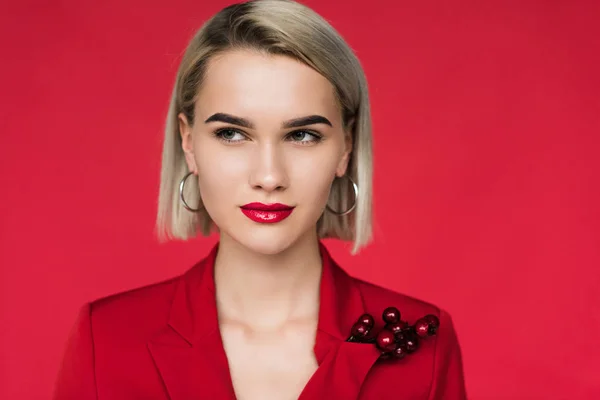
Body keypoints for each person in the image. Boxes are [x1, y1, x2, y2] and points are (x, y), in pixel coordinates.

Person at [53, 0, 467, 398]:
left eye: (303, 135)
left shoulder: (423, 343)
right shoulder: (105, 340)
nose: (269, 177)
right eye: (232, 134)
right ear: (188, 141)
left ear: (345, 147)